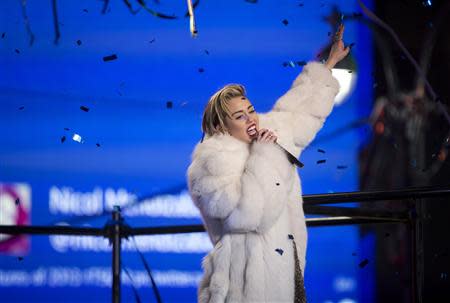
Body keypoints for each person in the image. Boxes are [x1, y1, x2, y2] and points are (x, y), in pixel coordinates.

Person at [187, 25, 350, 303]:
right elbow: (248, 217)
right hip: (245, 286)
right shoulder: (211, 163)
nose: (251, 119)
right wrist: (266, 154)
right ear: (220, 126)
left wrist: (330, 63)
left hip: (288, 270)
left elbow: (297, 109)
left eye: (250, 110)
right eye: (240, 116)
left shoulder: (270, 131)